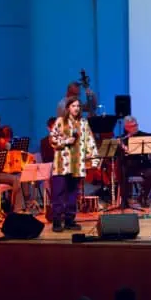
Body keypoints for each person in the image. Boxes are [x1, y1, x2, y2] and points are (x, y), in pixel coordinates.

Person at [50, 97, 98, 232]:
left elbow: (89, 141)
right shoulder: (60, 121)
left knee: (72, 193)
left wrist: (93, 159)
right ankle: (57, 221)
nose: (76, 108)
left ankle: (70, 220)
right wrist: (66, 141)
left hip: (77, 164)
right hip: (62, 164)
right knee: (59, 193)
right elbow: (52, 139)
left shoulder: (83, 123)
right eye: (73, 106)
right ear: (68, 108)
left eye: (78, 106)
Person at [119, 116, 151, 208]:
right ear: (126, 128)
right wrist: (122, 148)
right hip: (129, 167)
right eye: (132, 126)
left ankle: (142, 197)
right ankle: (125, 200)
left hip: (142, 165)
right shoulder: (123, 139)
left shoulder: (144, 135)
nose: (135, 127)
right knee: (121, 171)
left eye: (136, 125)